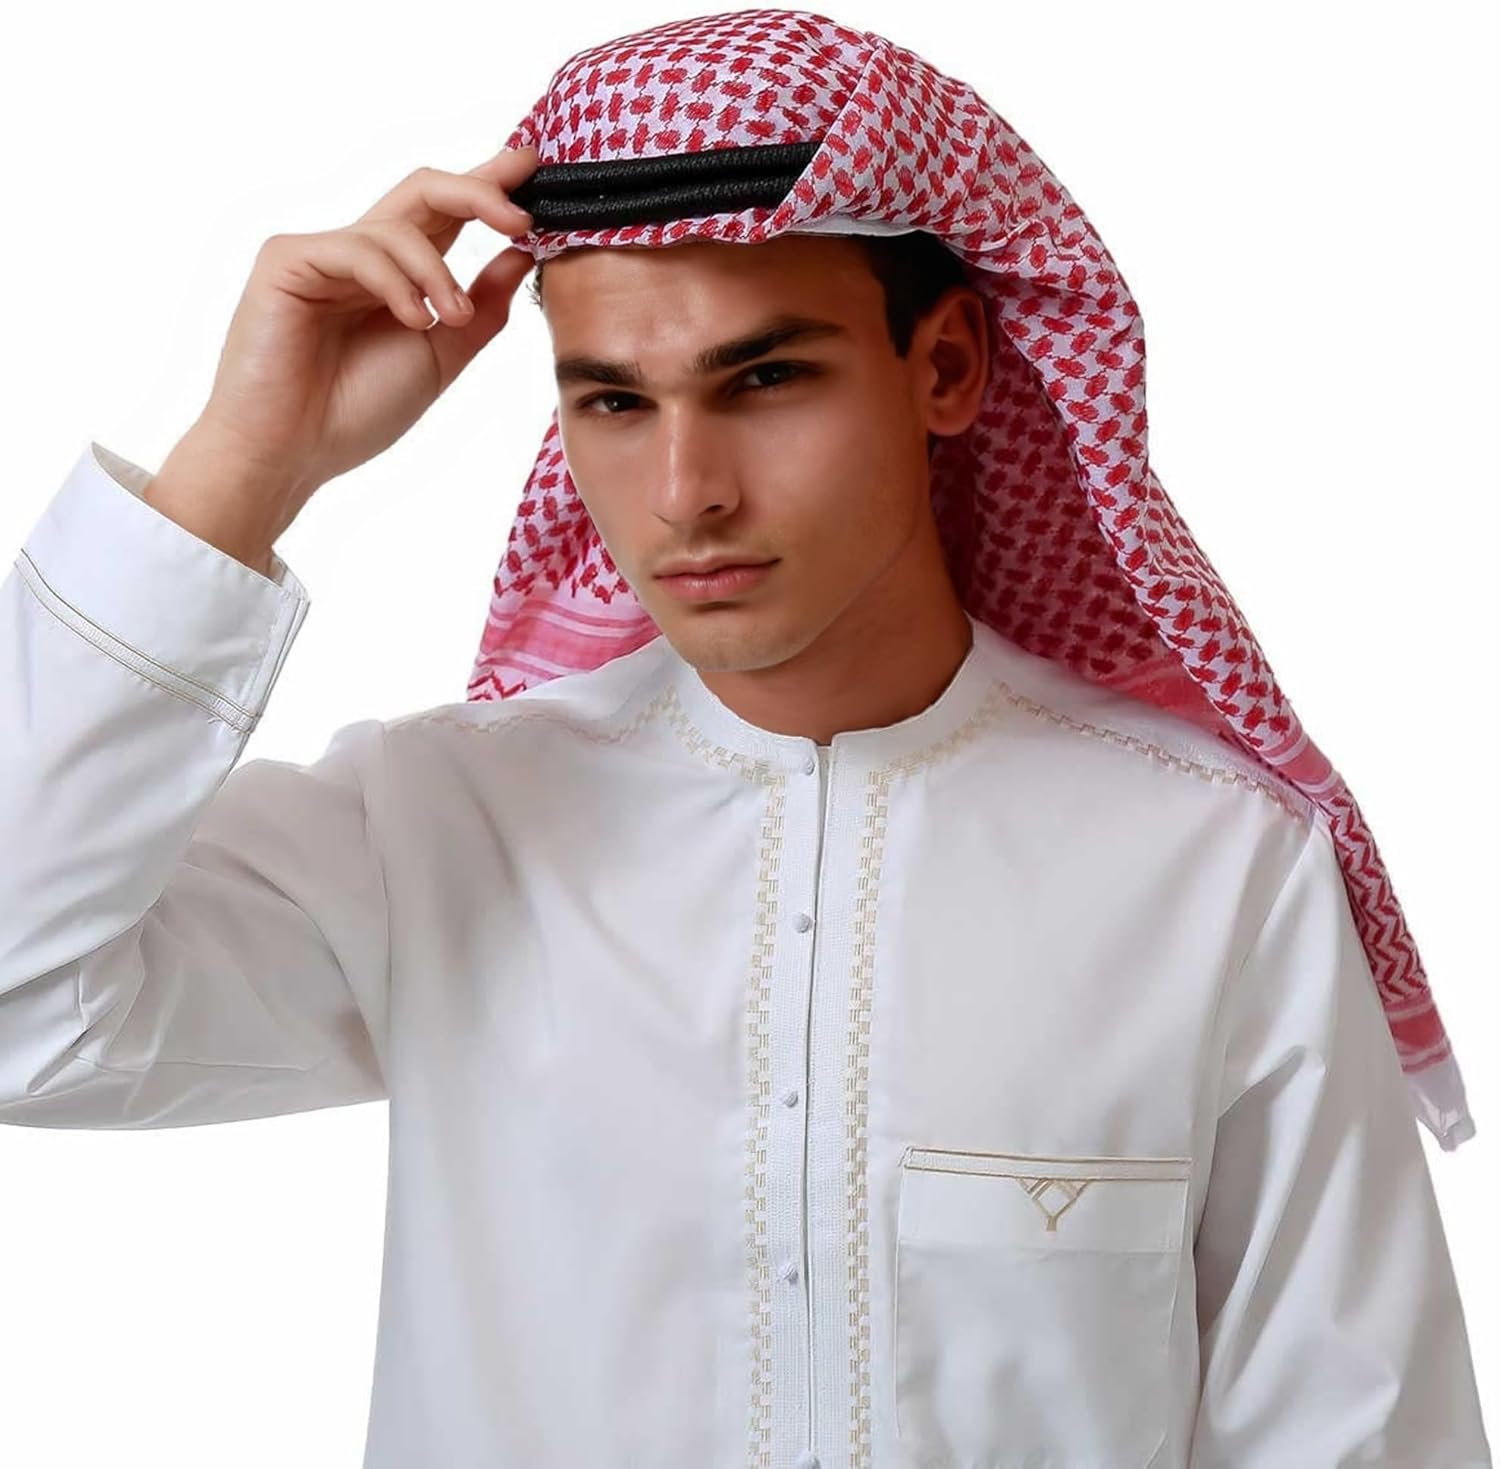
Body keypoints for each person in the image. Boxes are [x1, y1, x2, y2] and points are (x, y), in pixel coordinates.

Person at [0, 9, 1491, 1467]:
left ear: (947, 367)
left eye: (765, 378)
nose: (684, 492)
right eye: (612, 400)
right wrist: (245, 463)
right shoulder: (435, 831)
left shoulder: (1213, 863)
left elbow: (1362, 1436)